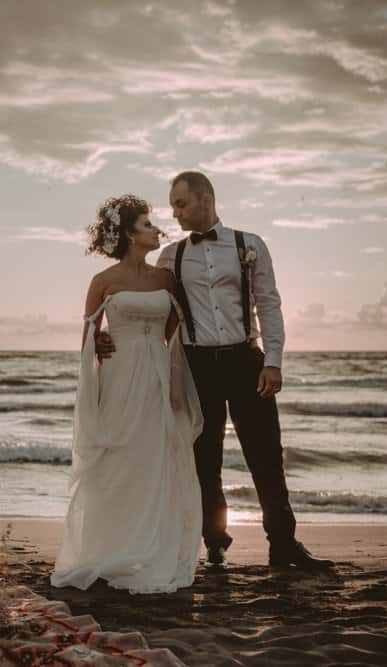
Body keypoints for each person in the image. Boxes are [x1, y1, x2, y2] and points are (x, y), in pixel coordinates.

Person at [100, 171, 333, 570]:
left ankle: (283, 544)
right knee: (204, 460)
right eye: (173, 206)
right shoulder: (170, 257)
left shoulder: (250, 245)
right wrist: (107, 332)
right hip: (196, 366)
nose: (175, 213)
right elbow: (145, 302)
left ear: (205, 199)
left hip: (246, 361)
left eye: (181, 204)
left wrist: (273, 361)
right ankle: (215, 542)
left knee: (266, 456)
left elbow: (269, 304)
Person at [51, 194, 203, 594]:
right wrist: (100, 341)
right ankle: (110, 545)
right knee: (117, 458)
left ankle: (150, 546)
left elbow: (173, 333)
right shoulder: (103, 281)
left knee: (154, 457)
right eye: (147, 224)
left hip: (156, 376)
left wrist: (167, 374)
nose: (156, 230)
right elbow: (87, 339)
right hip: (119, 377)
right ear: (128, 234)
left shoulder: (165, 280)